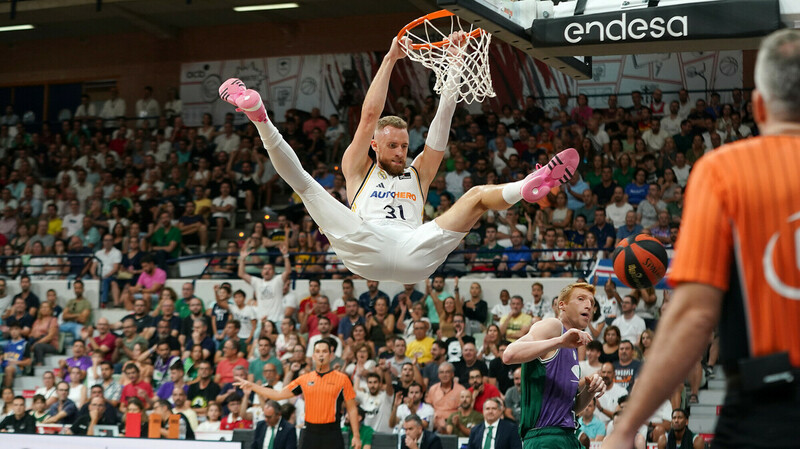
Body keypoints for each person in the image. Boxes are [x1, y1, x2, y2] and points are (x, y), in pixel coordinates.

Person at [218, 36, 578, 285]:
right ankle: (260, 117)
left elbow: (441, 123)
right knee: (308, 187)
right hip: (365, 243)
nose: (400, 152)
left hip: (413, 251)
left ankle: (527, 186)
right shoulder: (357, 167)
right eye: (392, 145)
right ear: (375, 145)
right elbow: (369, 116)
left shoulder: (418, 173)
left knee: (477, 196)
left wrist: (455, 65)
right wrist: (390, 59)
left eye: (404, 146)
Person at [602, 30, 800, 449]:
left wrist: (625, 428)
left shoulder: (724, 171)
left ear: (759, 106)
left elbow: (694, 314)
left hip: (769, 410)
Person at [502, 282, 606, 449]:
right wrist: (559, 341)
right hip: (544, 437)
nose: (588, 305)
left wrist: (590, 390)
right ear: (562, 305)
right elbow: (509, 354)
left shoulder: (571, 346)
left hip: (567, 436)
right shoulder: (553, 326)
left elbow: (572, 408)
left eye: (592, 302)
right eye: (581, 299)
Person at [234, 338, 362, 449]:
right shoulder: (304, 379)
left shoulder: (342, 379)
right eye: (317, 351)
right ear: (313, 356)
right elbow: (278, 394)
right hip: (310, 432)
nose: (321, 355)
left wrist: (356, 435)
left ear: (330, 355)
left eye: (324, 351)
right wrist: (252, 386)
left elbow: (352, 409)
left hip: (332, 432)